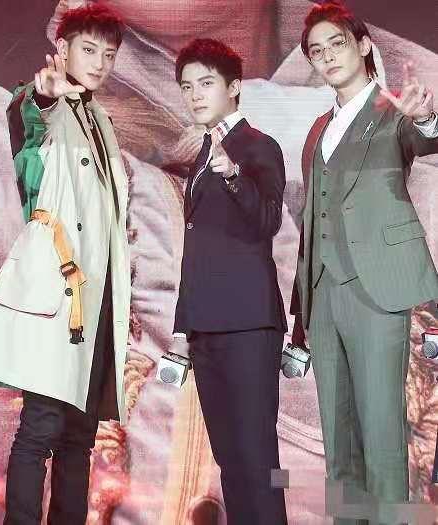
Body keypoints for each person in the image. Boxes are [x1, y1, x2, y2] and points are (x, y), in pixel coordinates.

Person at [0, 5, 131, 524]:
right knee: (40, 429)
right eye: (88, 50)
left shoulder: (101, 120)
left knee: (80, 435)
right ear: (62, 49)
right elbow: (30, 120)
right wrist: (44, 95)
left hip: (98, 298)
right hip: (60, 292)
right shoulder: (42, 104)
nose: (99, 62)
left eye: (108, 54)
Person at [290, 3, 438, 523]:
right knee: (339, 445)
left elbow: (426, 137)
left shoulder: (393, 111)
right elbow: (311, 220)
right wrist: (301, 311)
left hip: (377, 289)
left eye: (337, 44)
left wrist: (424, 116)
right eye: (317, 51)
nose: (328, 56)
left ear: (363, 45)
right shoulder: (317, 129)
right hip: (323, 294)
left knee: (382, 438)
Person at [172, 38, 288, 525]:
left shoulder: (258, 145)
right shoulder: (202, 153)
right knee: (231, 462)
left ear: (234, 87)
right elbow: (196, 247)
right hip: (207, 326)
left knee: (260, 459)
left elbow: (268, 221)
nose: (195, 95)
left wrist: (235, 175)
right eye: (186, 87)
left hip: (248, 323)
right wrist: (182, 328)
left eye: (206, 83)